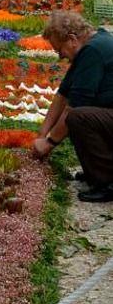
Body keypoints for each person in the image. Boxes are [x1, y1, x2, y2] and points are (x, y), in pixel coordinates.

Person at [33, 12, 113, 202]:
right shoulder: (93, 43)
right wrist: (41, 134)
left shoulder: (92, 51)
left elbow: (74, 106)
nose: (61, 57)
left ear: (71, 39)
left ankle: (107, 182)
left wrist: (49, 143)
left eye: (59, 50)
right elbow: (63, 95)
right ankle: (96, 170)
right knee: (77, 118)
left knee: (78, 118)